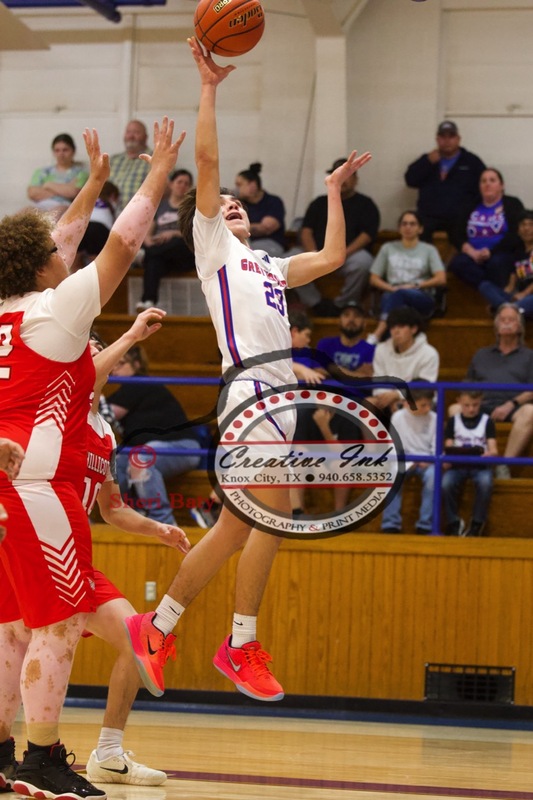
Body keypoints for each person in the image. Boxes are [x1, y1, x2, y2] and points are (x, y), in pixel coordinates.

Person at [123, 36, 372, 703]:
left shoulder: (266, 264)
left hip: (278, 396)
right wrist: (208, 88)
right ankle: (237, 644)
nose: (230, 203)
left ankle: (160, 626)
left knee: (239, 526)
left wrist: (330, 191)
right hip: (250, 391)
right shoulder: (213, 247)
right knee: (274, 517)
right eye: (222, 202)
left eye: (237, 203)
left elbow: (333, 255)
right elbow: (206, 160)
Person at [0, 117, 185, 800]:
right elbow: (123, 245)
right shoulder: (59, 311)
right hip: (40, 482)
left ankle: (1, 751)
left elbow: (62, 238)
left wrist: (97, 181)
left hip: (6, 479)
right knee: (57, 622)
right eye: (54, 250)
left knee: (12, 622)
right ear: (41, 265)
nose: (63, 250)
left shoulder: (12, 309)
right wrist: (157, 171)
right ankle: (41, 757)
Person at [0, 316, 190, 791]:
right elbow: (91, 373)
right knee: (14, 646)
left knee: (134, 641)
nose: (89, 359)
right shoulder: (50, 415)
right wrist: (128, 337)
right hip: (34, 545)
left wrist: (158, 530)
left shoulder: (103, 431)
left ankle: (108, 751)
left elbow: (113, 508)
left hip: (75, 559)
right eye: (83, 352)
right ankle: (24, 754)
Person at [108, 344, 202, 525]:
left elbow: (107, 413)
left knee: (140, 458)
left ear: (136, 364)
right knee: (115, 462)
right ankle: (132, 516)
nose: (114, 369)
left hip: (182, 446)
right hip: (155, 448)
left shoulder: (139, 383)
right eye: (113, 364)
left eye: (120, 364)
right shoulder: (126, 389)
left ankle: (163, 523)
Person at [292, 157, 380, 316]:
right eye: (339, 175)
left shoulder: (366, 204)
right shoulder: (318, 203)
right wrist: (313, 254)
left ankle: (342, 305)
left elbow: (367, 235)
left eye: (347, 176)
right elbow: (306, 231)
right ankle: (316, 303)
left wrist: (342, 253)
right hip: (318, 254)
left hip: (348, 255)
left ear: (356, 179)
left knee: (364, 262)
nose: (343, 180)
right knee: (289, 259)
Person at [460, 303, 533, 480]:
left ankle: (503, 464)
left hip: (514, 406)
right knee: (454, 410)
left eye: (511, 320)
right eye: (503, 319)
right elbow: (468, 384)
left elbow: (532, 389)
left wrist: (510, 405)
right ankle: (467, 463)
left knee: (531, 412)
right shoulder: (481, 354)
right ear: (496, 326)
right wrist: (473, 402)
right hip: (482, 405)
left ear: (519, 326)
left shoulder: (529, 355)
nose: (506, 323)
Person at [369, 210, 446, 342]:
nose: (408, 227)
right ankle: (390, 346)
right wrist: (391, 288)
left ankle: (377, 334)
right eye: (404, 224)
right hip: (392, 292)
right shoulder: (388, 248)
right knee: (397, 304)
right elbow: (373, 278)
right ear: (399, 228)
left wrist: (415, 285)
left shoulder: (429, 250)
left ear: (420, 229)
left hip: (420, 295)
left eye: (412, 224)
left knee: (399, 295)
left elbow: (441, 278)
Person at [405, 120, 485, 242]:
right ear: (437, 140)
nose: (447, 141)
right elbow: (410, 180)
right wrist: (427, 162)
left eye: (451, 137)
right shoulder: (428, 160)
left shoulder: (471, 161)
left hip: (459, 217)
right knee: (416, 228)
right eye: (443, 137)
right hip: (428, 216)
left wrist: (471, 209)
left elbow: (483, 187)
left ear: (458, 139)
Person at [448, 168, 524, 292]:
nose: (487, 184)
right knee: (457, 264)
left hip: (501, 252)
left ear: (501, 185)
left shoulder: (512, 204)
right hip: (472, 254)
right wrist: (471, 251)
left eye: (492, 180)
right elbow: (456, 233)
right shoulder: (470, 205)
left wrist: (491, 251)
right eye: (483, 181)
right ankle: (491, 290)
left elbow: (515, 234)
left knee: (496, 263)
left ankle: (495, 295)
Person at [136, 168, 197, 309]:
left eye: (186, 183)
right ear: (171, 184)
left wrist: (174, 233)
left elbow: (196, 233)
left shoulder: (192, 207)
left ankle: (144, 255)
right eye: (179, 182)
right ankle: (148, 300)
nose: (182, 186)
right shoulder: (160, 206)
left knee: (177, 242)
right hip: (162, 253)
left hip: (184, 253)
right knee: (154, 262)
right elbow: (148, 230)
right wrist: (149, 241)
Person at [380, 388, 436, 534]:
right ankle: (390, 524)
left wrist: (428, 460)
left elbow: (436, 448)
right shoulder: (398, 417)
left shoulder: (434, 418)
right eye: (423, 405)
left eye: (429, 404)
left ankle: (425, 525)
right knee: (393, 474)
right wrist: (409, 463)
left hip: (427, 462)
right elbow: (392, 447)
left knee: (433, 478)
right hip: (403, 461)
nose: (428, 408)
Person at [442, 389, 497, 537]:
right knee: (446, 483)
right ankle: (453, 521)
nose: (471, 409)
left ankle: (477, 523)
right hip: (458, 465)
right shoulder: (453, 421)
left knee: (485, 483)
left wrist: (489, 454)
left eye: (475, 405)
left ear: (481, 402)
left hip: (479, 466)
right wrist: (446, 458)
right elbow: (448, 446)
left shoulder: (487, 421)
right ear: (459, 401)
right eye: (467, 405)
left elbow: (494, 450)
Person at [371, 306, 440, 414]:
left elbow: (425, 387)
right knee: (367, 404)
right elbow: (378, 380)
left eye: (401, 326)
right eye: (393, 327)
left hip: (417, 400)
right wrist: (388, 399)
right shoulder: (381, 349)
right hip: (387, 399)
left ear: (414, 329)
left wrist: (397, 396)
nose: (396, 331)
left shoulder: (429, 353)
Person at [478, 210, 533, 318]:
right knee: (485, 286)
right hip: (519, 298)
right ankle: (508, 308)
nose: (526, 228)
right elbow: (511, 284)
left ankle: (504, 310)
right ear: (518, 230)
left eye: (531, 224)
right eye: (523, 225)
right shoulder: (518, 251)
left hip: (530, 297)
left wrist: (524, 293)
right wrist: (504, 296)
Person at [26, 132, 89, 216]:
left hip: (66, 207)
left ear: (73, 151)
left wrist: (48, 185)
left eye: (65, 150)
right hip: (41, 205)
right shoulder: (42, 171)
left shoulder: (81, 172)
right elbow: (32, 193)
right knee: (23, 213)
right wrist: (64, 189)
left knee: (54, 215)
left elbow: (74, 192)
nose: (61, 154)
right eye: (57, 150)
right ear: (53, 152)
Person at [235, 163, 287, 256]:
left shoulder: (273, 202)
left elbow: (265, 228)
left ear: (252, 185)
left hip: (270, 244)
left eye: (239, 185)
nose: (237, 189)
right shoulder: (240, 204)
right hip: (247, 243)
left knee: (246, 253)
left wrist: (239, 228)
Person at [109, 120, 151, 212]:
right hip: (109, 216)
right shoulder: (113, 160)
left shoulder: (155, 159)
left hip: (140, 215)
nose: (131, 136)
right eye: (128, 132)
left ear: (145, 137)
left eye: (136, 132)